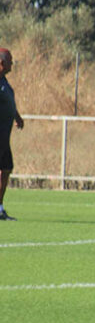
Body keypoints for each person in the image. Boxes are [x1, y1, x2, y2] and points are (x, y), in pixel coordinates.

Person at [0, 48, 24, 221]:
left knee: (7, 168)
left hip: (4, 136)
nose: (12, 64)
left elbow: (9, 102)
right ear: (1, 63)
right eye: (10, 61)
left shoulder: (4, 82)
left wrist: (17, 116)